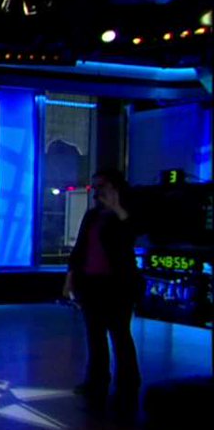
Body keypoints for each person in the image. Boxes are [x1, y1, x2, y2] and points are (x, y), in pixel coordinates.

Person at [64, 169, 142, 402]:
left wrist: (117, 208)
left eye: (101, 186)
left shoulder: (125, 215)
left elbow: (132, 234)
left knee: (120, 334)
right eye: (95, 187)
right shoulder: (92, 216)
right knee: (95, 335)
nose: (97, 192)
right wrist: (70, 279)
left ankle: (128, 382)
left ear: (115, 187)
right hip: (91, 284)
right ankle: (96, 380)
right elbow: (80, 249)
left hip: (117, 286)